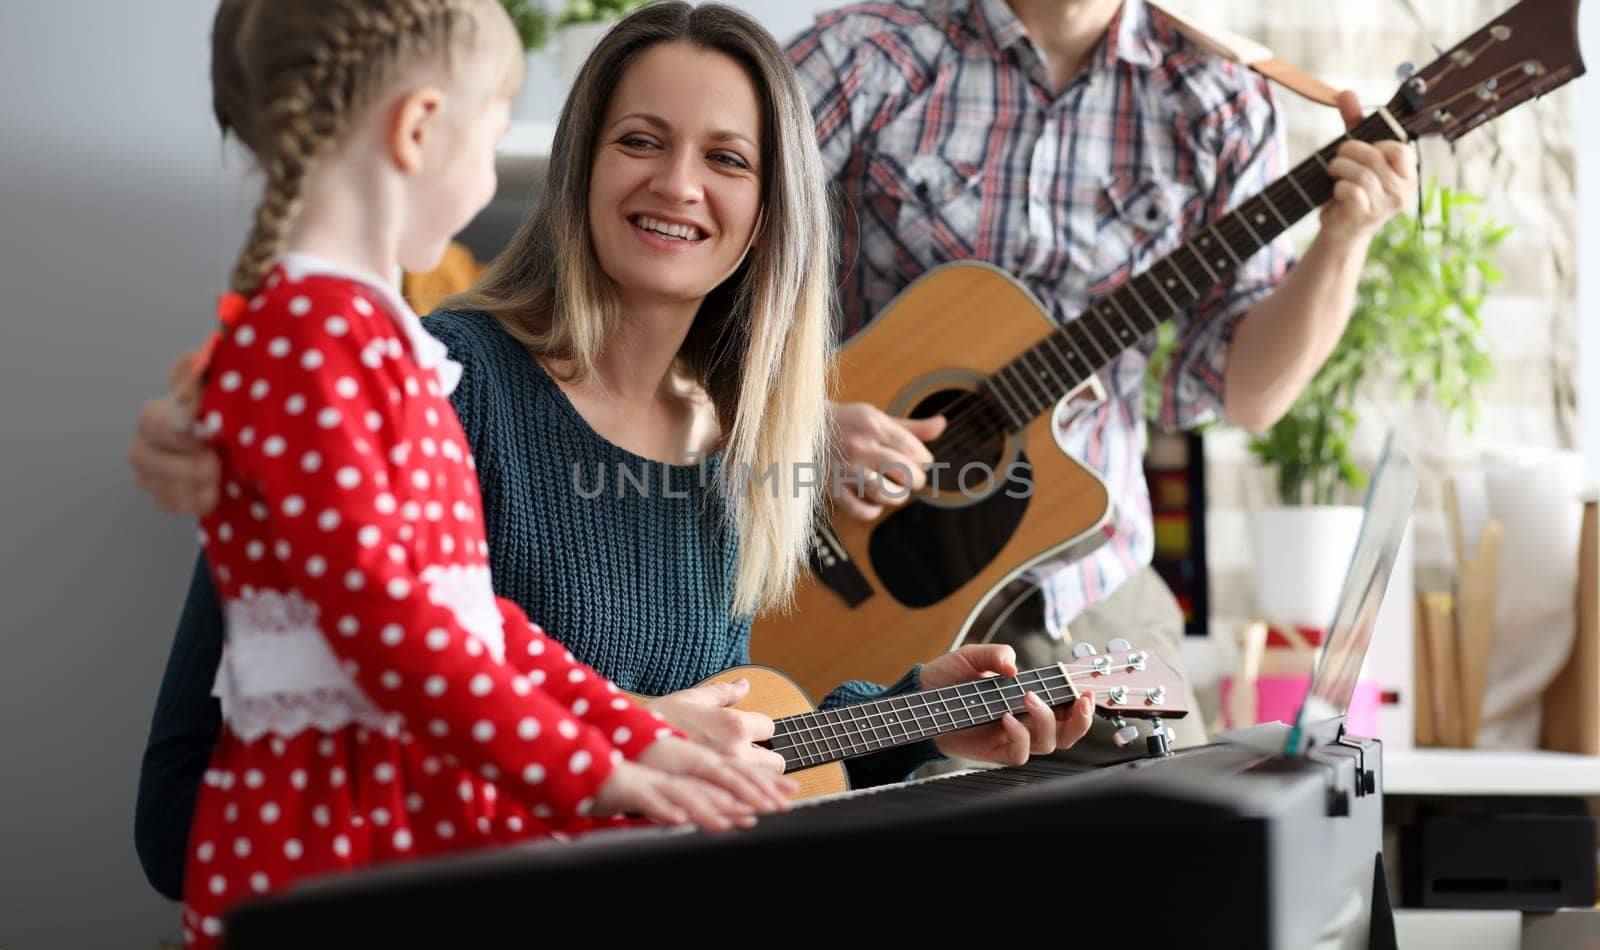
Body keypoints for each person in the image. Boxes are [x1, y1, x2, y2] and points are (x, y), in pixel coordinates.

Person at [127, 0, 1097, 907]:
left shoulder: (741, 454)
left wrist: (909, 716)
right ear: (578, 165)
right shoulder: (433, 381)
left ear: (771, 212)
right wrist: (614, 740)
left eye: (727, 158)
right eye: (640, 141)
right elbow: (181, 808)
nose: (678, 184)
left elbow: (714, 746)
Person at [169, 0, 802, 942]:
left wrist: (628, 737)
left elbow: (471, 621)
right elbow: (393, 627)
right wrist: (601, 770)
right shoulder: (325, 341)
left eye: (725, 157)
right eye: (499, 132)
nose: (678, 186)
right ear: (419, 128)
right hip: (328, 849)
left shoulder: (376, 343)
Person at [790, 0, 1416, 756]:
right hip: (835, 559)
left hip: (1090, 585)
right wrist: (800, 425)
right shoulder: (865, 54)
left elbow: (1250, 397)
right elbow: (701, 278)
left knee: (1193, 846)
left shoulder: (1219, 101)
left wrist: (1344, 241)